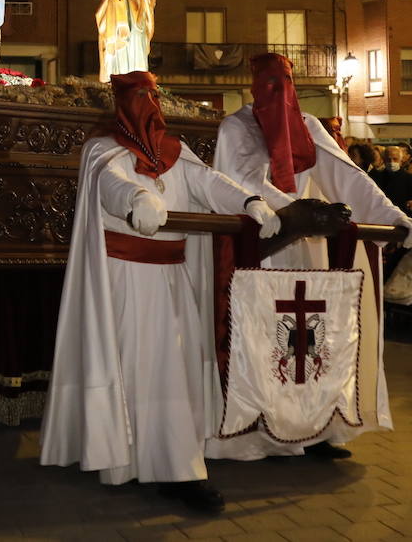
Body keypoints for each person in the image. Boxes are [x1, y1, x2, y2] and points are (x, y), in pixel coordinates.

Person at [40, 71, 279, 513]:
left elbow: (209, 183)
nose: (147, 103)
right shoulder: (102, 149)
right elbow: (111, 184)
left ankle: (170, 459)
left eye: (152, 94)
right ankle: (144, 461)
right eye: (137, 96)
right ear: (121, 102)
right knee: (138, 367)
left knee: (178, 370)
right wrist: (137, 200)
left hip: (173, 278)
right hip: (126, 278)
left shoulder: (176, 150)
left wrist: (248, 203)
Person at [204, 53, 412, 463]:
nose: (277, 90)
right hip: (266, 252)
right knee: (267, 342)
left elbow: (347, 175)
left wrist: (392, 217)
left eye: (284, 82)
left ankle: (314, 426)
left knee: (312, 343)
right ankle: (264, 430)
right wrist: (295, 212)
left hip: (310, 253)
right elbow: (240, 181)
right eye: (269, 82)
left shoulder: (308, 127)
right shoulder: (237, 126)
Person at [371, 144, 412, 216]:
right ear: (384, 160)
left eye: (395, 159)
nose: (391, 162)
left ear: (401, 160)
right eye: (388, 159)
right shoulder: (375, 178)